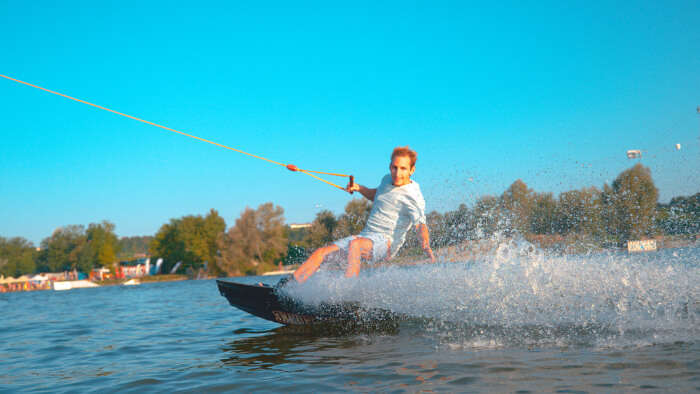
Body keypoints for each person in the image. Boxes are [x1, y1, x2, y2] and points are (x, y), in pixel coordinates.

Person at [292, 146, 435, 283]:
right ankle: (288, 287)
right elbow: (376, 195)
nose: (397, 173)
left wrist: (425, 245)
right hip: (366, 235)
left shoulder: (413, 195)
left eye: (403, 169)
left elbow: (420, 225)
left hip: (387, 243)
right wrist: (358, 188)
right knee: (321, 253)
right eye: (394, 167)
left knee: (355, 245)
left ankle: (347, 294)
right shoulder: (386, 180)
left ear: (412, 170)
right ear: (390, 166)